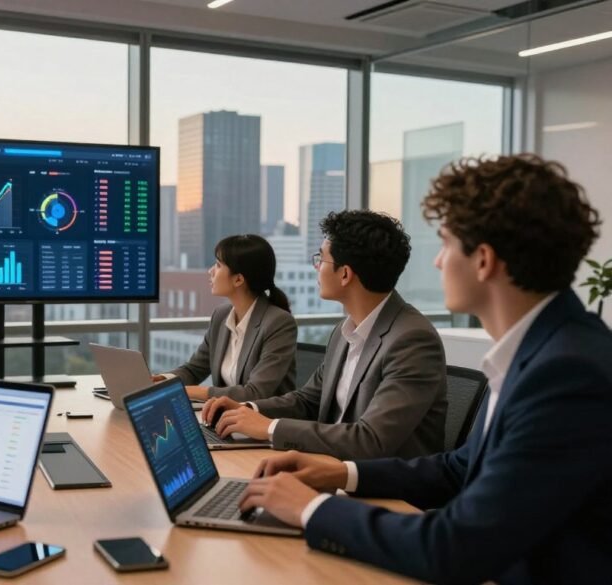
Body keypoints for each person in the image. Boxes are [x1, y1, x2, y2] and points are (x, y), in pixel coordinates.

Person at [239, 154, 612, 584]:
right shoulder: (539, 351)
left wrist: (311, 508)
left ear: (484, 260)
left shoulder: (567, 374)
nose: (437, 261)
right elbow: (458, 469)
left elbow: (456, 547)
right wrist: (341, 473)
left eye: (446, 244)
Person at [202, 210, 447, 460]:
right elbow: (308, 400)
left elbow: (370, 439)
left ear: (345, 274)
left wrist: (269, 428)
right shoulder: (345, 331)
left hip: (379, 479)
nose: (316, 267)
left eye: (321, 259)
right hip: (330, 464)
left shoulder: (412, 340)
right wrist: (247, 409)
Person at [155, 234, 297, 402]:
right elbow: (194, 370)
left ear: (238, 279)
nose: (211, 271)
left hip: (262, 416)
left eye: (218, 265)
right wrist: (161, 381)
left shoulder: (278, 323)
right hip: (227, 415)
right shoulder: (221, 316)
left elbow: (255, 393)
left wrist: (190, 392)